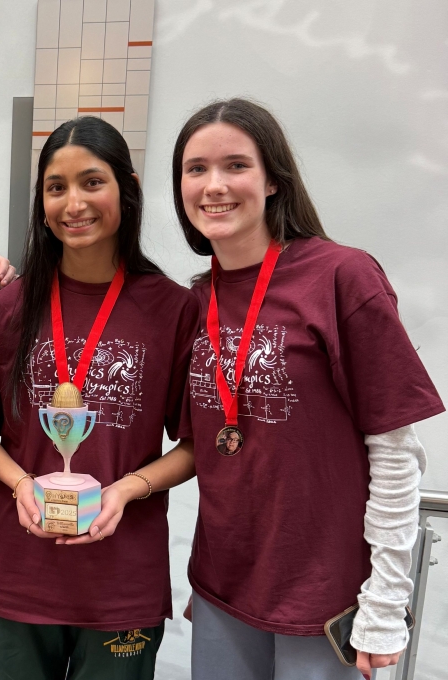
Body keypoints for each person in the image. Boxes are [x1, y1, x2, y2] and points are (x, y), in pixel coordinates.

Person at [173, 98, 444, 680]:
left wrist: (384, 603)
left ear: (274, 179)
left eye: (236, 165)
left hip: (324, 597)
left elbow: (396, 451)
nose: (214, 185)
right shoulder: (199, 299)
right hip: (224, 590)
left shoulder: (342, 276)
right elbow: (219, 454)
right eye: (196, 169)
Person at [0, 116, 200, 680]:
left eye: (92, 182)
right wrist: (20, 482)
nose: (74, 203)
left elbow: (194, 445)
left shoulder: (173, 310)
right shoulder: (10, 306)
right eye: (56, 187)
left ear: (127, 188)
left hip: (122, 577)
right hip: (23, 571)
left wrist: (126, 489)